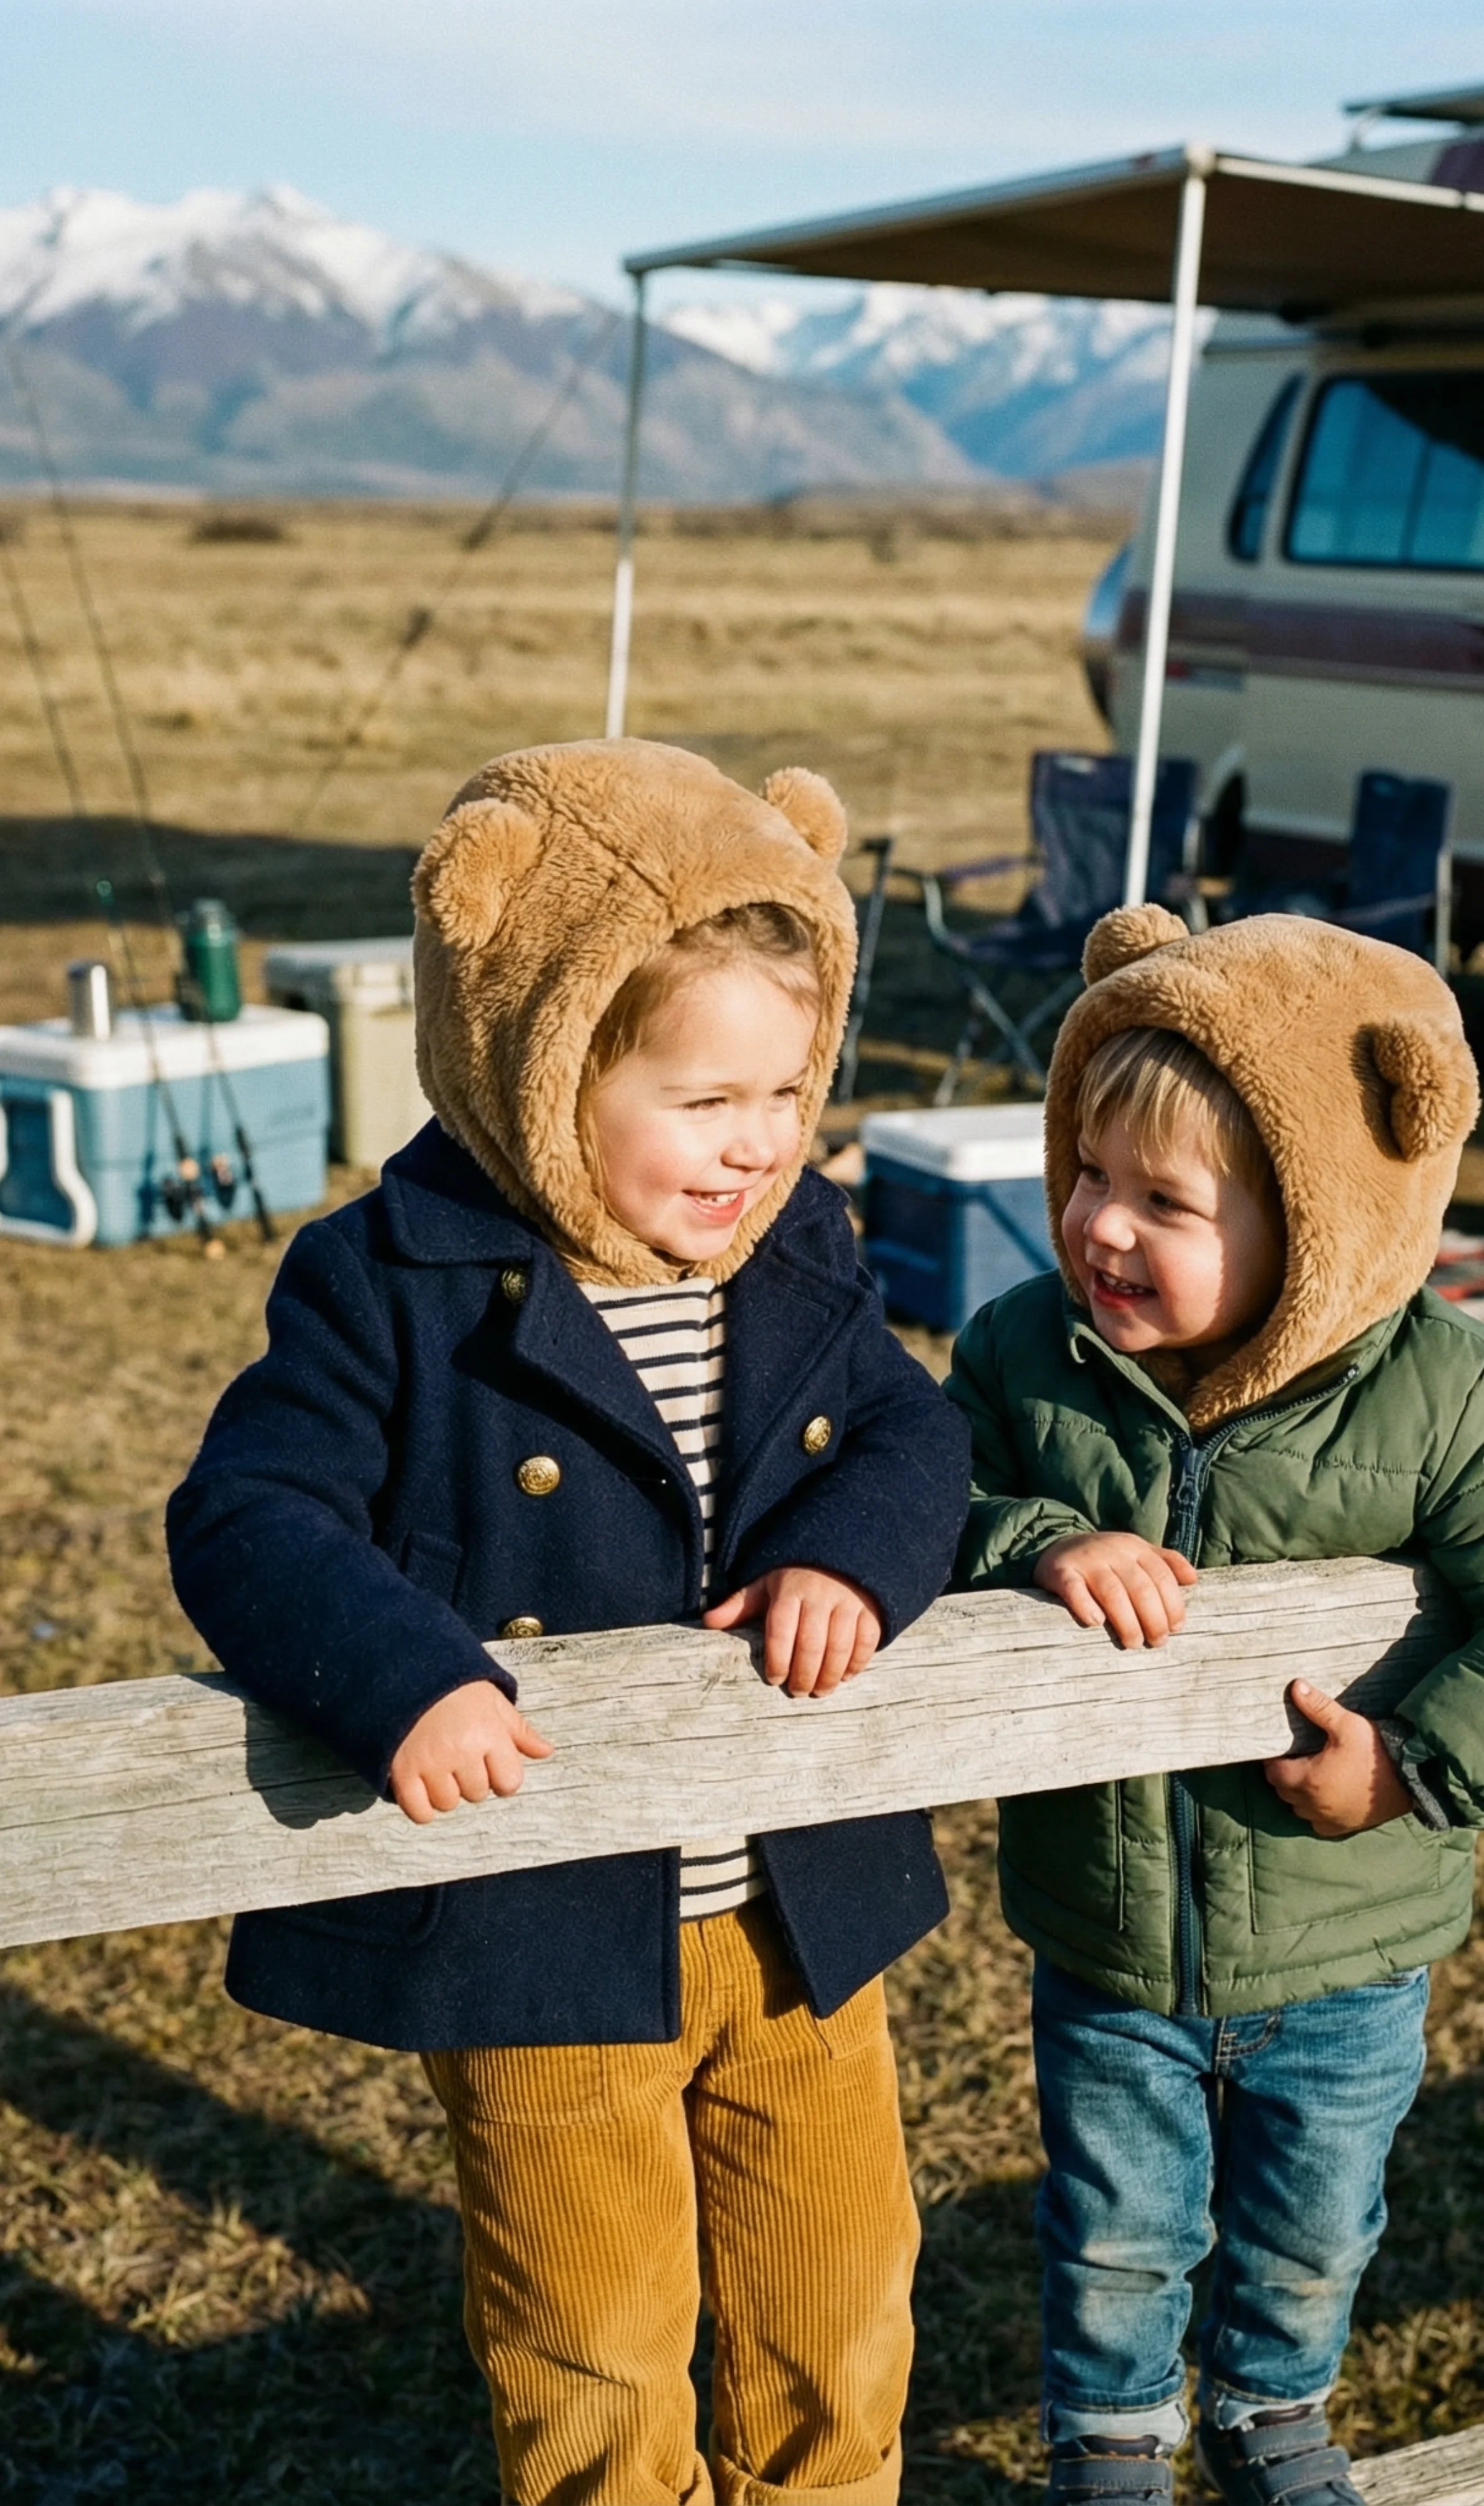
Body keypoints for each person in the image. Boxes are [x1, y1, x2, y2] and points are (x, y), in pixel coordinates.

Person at [167, 738, 971, 2506]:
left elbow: (920, 1432)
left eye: (787, 1093)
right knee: (595, 2348)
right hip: (541, 1927)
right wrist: (406, 1677)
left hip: (798, 1908)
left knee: (839, 2313)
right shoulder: (390, 1278)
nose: (755, 1147)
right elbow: (248, 1513)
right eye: (704, 1102)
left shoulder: (801, 1248)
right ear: (539, 1060)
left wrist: (853, 1555)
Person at [945, 906, 1484, 2506]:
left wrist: (1412, 1769)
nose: (1099, 1228)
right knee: (1116, 2223)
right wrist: (1042, 1536)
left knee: (1313, 2217)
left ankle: (1274, 2414)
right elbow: (919, 1494)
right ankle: (1111, 2444)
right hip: (1113, 1929)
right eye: (1086, 1175)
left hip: (1348, 1943)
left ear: (1320, 1219)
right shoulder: (1023, 1357)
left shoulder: (1448, 1393)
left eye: (1165, 1203)